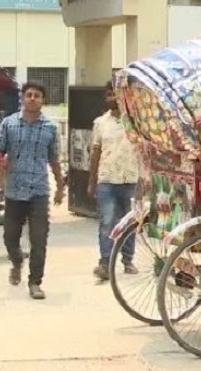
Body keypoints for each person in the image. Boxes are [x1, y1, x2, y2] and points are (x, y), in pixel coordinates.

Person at [0, 81, 65, 301]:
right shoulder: (9, 124)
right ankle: (16, 261)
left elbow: (54, 160)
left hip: (39, 191)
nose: (32, 98)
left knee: (39, 240)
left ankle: (35, 282)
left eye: (37, 95)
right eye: (29, 95)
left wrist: (60, 187)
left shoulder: (50, 128)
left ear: (43, 101)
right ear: (22, 98)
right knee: (10, 237)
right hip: (14, 191)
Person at [88, 80, 141, 281]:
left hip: (131, 179)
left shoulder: (136, 122)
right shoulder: (100, 123)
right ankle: (105, 262)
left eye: (115, 94)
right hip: (107, 180)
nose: (112, 98)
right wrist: (92, 182)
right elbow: (95, 152)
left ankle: (128, 260)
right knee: (107, 222)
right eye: (108, 94)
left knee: (130, 222)